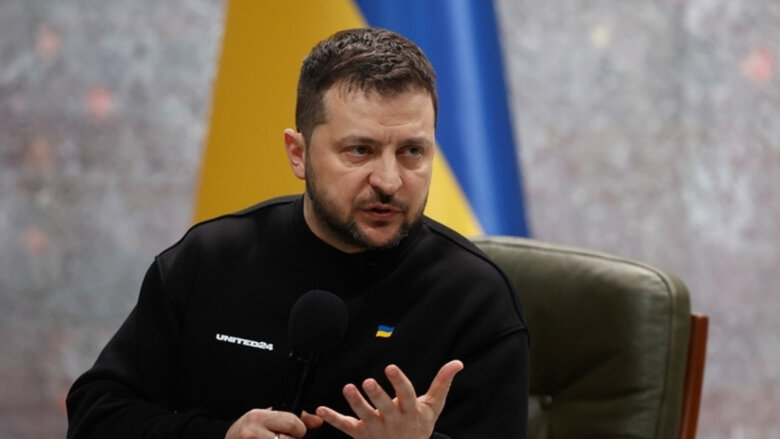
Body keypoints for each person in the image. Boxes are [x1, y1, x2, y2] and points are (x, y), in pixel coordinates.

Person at [66, 27, 529, 439]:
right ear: (297, 153)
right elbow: (95, 417)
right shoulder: (209, 260)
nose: (389, 180)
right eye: (360, 150)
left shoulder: (475, 299)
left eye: (412, 151)